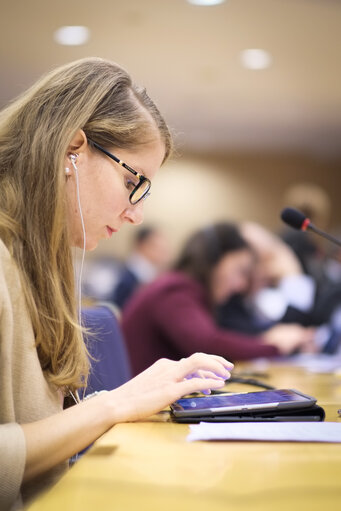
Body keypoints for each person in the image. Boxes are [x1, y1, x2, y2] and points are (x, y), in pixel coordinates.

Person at [0, 57, 234, 511]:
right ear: (73, 147)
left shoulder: (44, 259)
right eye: (132, 181)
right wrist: (115, 403)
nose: (136, 213)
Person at [122, 223, 315, 377]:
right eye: (239, 271)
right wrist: (273, 346)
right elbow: (207, 343)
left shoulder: (182, 287)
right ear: (214, 259)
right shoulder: (175, 289)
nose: (240, 284)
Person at [110, 225, 171, 308]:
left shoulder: (151, 272)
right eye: (156, 246)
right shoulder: (128, 278)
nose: (162, 251)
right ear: (142, 245)